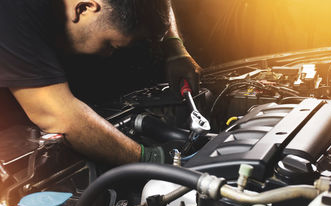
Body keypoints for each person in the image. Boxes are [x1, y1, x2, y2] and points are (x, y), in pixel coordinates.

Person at [0, 0, 201, 165]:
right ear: (84, 7)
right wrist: (151, 158)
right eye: (109, 44)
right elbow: (57, 113)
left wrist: (174, 48)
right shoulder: (13, 12)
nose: (108, 55)